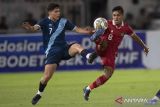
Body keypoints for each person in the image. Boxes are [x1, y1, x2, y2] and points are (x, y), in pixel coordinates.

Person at [22, 3, 92, 105]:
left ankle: (89, 56)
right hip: (52, 52)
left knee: (77, 46)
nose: (58, 13)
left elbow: (78, 29)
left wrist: (87, 32)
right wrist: (30, 27)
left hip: (64, 49)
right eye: (56, 11)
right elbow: (34, 28)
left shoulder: (64, 21)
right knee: (46, 77)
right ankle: (39, 93)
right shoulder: (44, 22)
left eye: (59, 11)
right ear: (49, 12)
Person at [83, 6, 149, 101]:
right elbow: (94, 29)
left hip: (111, 53)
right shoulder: (106, 23)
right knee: (104, 42)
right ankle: (96, 44)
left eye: (118, 15)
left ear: (122, 16)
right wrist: (92, 31)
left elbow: (135, 37)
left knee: (108, 75)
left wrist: (144, 46)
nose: (116, 17)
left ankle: (88, 88)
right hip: (102, 46)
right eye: (114, 15)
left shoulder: (126, 28)